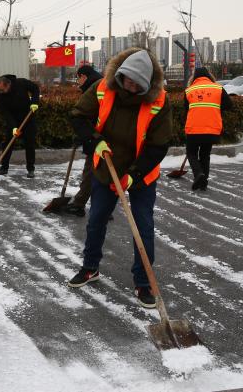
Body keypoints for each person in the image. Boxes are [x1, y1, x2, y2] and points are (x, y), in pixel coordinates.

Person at [67, 48, 173, 310]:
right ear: (121, 75)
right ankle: (90, 267)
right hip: (107, 165)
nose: (131, 87)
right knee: (97, 219)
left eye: (138, 84)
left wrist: (134, 176)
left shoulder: (159, 100)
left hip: (141, 172)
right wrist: (95, 142)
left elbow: (158, 146)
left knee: (143, 226)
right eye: (128, 80)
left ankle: (143, 282)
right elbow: (78, 116)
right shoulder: (104, 87)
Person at [62, 65, 104, 216]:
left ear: (84, 76)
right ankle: (104, 207)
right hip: (100, 136)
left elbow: (89, 116)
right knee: (102, 173)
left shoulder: (95, 88)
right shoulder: (100, 84)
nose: (77, 82)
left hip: (97, 138)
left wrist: (85, 135)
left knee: (90, 172)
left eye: (78, 78)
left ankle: (79, 204)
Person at [183, 67, 233, 191]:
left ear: (194, 77)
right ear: (209, 75)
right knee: (205, 155)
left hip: (193, 129)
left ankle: (199, 174)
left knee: (191, 153)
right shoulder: (218, 88)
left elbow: (186, 110)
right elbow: (229, 104)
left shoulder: (189, 90)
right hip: (212, 129)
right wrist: (215, 108)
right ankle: (203, 182)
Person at [0, 74, 40, 178]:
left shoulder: (21, 83)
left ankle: (31, 169)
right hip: (13, 120)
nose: (0, 92)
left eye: (2, 90)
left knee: (29, 143)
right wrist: (13, 127)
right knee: (8, 143)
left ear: (8, 85)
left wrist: (34, 102)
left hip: (28, 118)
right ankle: (4, 168)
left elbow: (35, 88)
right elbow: (5, 113)